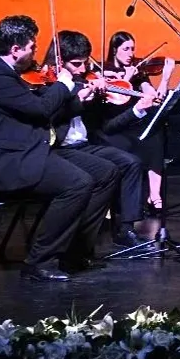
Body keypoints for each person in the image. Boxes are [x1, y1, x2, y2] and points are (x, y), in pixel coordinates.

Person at [0, 15, 120, 281]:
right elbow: (41, 109)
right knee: (78, 183)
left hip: (29, 149)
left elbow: (40, 114)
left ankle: (75, 251)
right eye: (32, 46)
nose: (36, 51)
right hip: (6, 161)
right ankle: (40, 261)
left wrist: (78, 100)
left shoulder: (8, 73)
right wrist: (63, 84)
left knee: (106, 172)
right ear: (16, 49)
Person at [43, 30, 154, 249]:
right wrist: (76, 97)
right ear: (58, 62)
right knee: (106, 171)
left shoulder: (84, 81)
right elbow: (48, 116)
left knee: (131, 162)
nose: (82, 70)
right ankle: (82, 238)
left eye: (84, 63)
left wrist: (94, 97)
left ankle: (126, 229)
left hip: (84, 144)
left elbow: (102, 122)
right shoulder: (49, 86)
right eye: (76, 64)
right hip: (60, 149)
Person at [102, 31, 176, 215]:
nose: (131, 54)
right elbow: (114, 99)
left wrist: (165, 78)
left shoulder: (139, 73)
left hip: (135, 123)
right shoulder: (105, 70)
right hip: (116, 124)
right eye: (126, 49)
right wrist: (126, 78)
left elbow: (156, 99)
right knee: (143, 139)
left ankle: (154, 195)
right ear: (114, 50)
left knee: (155, 133)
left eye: (132, 49)